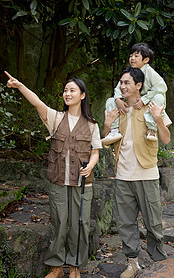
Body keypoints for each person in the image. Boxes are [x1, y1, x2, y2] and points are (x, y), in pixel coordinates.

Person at [4, 71, 102, 278]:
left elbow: (95, 152)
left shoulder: (92, 125)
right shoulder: (56, 118)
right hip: (58, 181)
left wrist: (91, 166)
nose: (67, 94)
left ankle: (75, 265)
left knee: (80, 225)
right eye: (65, 90)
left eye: (72, 90)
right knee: (59, 223)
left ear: (82, 95)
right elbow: (37, 103)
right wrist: (20, 86)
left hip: (82, 183)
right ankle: (56, 265)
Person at [103, 66, 171, 278]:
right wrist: (106, 125)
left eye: (127, 83)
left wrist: (158, 119)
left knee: (153, 223)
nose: (122, 87)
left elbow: (167, 138)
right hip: (122, 175)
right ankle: (132, 263)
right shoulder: (117, 108)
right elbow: (105, 138)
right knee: (125, 223)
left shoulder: (152, 105)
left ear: (138, 85)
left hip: (147, 174)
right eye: (121, 83)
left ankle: (159, 263)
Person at [101, 43, 168, 145]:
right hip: (132, 103)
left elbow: (162, 87)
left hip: (149, 102)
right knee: (111, 100)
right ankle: (114, 131)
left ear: (145, 60)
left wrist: (144, 100)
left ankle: (152, 129)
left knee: (159, 96)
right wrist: (118, 99)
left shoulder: (149, 72)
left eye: (136, 56)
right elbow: (118, 89)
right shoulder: (129, 73)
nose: (132, 58)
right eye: (131, 55)